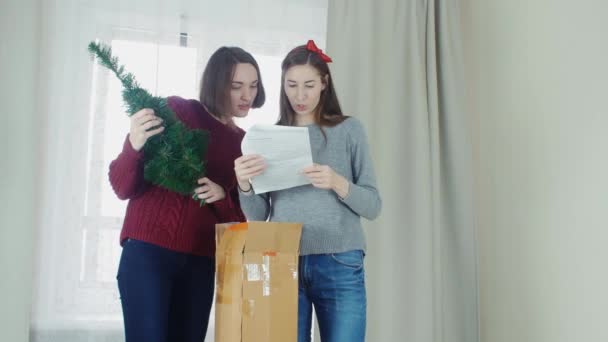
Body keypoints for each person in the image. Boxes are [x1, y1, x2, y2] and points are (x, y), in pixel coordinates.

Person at [110, 46, 265, 342]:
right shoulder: (177, 111)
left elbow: (243, 219)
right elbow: (121, 186)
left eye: (254, 85)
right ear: (216, 84)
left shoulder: (246, 144)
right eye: (237, 86)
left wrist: (222, 196)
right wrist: (134, 143)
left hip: (200, 263)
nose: (248, 95)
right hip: (148, 254)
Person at [234, 40, 381, 342]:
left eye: (309, 85)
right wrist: (244, 184)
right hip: (282, 257)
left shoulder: (350, 131)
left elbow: (373, 206)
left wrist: (337, 182)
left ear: (324, 84)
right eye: (291, 85)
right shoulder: (268, 136)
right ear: (282, 86)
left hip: (340, 260)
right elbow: (259, 215)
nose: (299, 96)